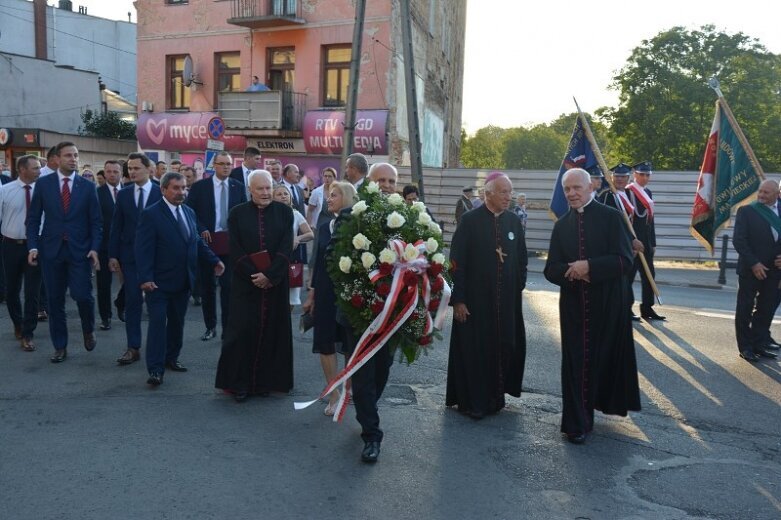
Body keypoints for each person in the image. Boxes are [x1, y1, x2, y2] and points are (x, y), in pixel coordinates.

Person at [544, 168, 640, 444]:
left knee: (601, 360)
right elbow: (551, 269)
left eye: (577, 188)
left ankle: (597, 408)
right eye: (567, 190)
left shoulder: (612, 218)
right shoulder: (562, 225)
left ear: (590, 187)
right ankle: (576, 423)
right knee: (575, 363)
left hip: (607, 304)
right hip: (574, 306)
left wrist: (591, 267)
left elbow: (624, 261)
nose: (572, 193)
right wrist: (573, 271)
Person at [446, 172, 527, 419]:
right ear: (488, 193)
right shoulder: (470, 221)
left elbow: (522, 259)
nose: (508, 196)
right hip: (475, 302)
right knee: (476, 352)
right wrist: (458, 300)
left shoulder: (513, 222)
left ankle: (495, 398)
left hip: (506, 303)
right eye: (503, 192)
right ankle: (474, 403)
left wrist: (518, 285)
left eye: (510, 192)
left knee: (504, 347)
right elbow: (456, 262)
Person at [335, 162, 398, 463]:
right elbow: (332, 259)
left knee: (382, 371)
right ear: (369, 183)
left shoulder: (407, 218)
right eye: (380, 180)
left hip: (392, 314)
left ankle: (366, 410)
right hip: (359, 313)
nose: (386, 185)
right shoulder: (351, 214)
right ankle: (372, 436)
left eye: (391, 181)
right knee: (362, 376)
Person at [136, 172, 224, 386]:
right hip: (157, 282)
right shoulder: (151, 214)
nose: (181, 192)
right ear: (164, 189)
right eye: (176, 188)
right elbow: (142, 249)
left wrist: (214, 261)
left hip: (183, 280)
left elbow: (195, 241)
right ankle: (155, 369)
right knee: (157, 324)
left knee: (177, 322)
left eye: (184, 188)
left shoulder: (189, 212)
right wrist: (145, 277)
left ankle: (171, 358)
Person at [215, 170, 294, 402]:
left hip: (275, 283)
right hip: (245, 283)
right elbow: (235, 248)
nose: (265, 192)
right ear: (250, 190)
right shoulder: (237, 214)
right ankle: (240, 384)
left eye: (268, 187)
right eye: (260, 188)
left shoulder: (284, 212)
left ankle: (265, 383)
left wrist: (270, 275)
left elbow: (286, 246)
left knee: (273, 331)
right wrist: (255, 274)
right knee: (241, 333)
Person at [26, 141, 102, 363]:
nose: (73, 159)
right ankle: (60, 346)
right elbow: (33, 219)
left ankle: (88, 329)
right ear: (57, 159)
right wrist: (32, 246)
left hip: (80, 252)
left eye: (76, 155)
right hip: (51, 251)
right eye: (68, 155)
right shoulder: (44, 185)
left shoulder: (87, 187)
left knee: (83, 296)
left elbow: (96, 223)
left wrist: (95, 248)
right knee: (55, 300)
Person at [302, 181, 356, 416]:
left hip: (349, 294)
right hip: (324, 292)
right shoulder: (324, 227)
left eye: (334, 195)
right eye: (328, 195)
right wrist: (311, 293)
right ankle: (334, 394)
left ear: (347, 197)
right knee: (325, 341)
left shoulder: (358, 225)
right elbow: (317, 262)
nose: (328, 198)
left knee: (348, 344)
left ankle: (348, 389)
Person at [186, 151, 247, 341]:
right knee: (208, 287)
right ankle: (210, 326)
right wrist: (201, 228)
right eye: (222, 164)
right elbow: (190, 212)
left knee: (228, 287)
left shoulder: (238, 187)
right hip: (208, 243)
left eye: (229, 164)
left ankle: (227, 328)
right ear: (214, 166)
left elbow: (243, 213)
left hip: (229, 244)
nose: (226, 167)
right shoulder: (200, 187)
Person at [109, 153, 162, 366]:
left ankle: (158, 349)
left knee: (156, 304)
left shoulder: (161, 192)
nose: (131, 172)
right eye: (129, 169)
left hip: (157, 258)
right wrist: (113, 255)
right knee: (132, 301)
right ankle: (133, 347)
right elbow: (116, 227)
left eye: (136, 168)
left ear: (149, 169)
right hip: (129, 257)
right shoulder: (123, 195)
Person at [732, 179, 781, 362]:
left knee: (766, 309)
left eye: (766, 193)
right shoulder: (747, 211)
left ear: (777, 194)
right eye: (760, 191)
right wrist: (754, 264)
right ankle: (745, 347)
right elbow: (739, 241)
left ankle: (759, 344)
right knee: (744, 309)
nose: (761, 195)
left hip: (774, 271)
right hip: (750, 269)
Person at [0, 155, 42, 351]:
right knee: (12, 290)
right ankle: (18, 323)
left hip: (34, 246)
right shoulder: (5, 191)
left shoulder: (41, 191)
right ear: (22, 169)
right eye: (35, 168)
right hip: (10, 246)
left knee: (32, 291)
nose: (39, 171)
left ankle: (28, 332)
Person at [599, 162, 645, 321]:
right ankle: (618, 309)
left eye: (623, 177)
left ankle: (625, 308)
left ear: (628, 178)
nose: (620, 179)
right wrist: (630, 241)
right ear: (611, 177)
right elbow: (607, 224)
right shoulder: (607, 195)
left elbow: (632, 222)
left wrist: (634, 241)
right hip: (613, 245)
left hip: (627, 244)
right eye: (617, 176)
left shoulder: (629, 194)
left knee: (627, 278)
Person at [627, 161, 664, 320]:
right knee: (628, 277)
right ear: (635, 174)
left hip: (646, 243)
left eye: (648, 174)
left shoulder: (647, 192)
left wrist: (653, 242)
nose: (645, 177)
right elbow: (626, 220)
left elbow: (650, 220)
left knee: (649, 277)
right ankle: (626, 308)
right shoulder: (629, 192)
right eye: (642, 174)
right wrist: (631, 241)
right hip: (634, 244)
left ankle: (647, 308)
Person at [272, 184, 313, 307]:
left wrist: (297, 238)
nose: (283, 196)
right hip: (273, 261)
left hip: (292, 261)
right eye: (279, 194)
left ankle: (286, 325)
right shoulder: (269, 215)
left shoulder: (296, 214)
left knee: (291, 300)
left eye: (286, 194)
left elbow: (310, 234)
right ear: (273, 198)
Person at [96, 160, 123, 331]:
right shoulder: (96, 194)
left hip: (126, 245)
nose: (112, 174)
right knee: (103, 284)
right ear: (104, 173)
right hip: (103, 246)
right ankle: (105, 317)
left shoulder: (129, 192)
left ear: (121, 173)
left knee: (131, 281)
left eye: (115, 171)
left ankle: (122, 303)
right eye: (109, 171)